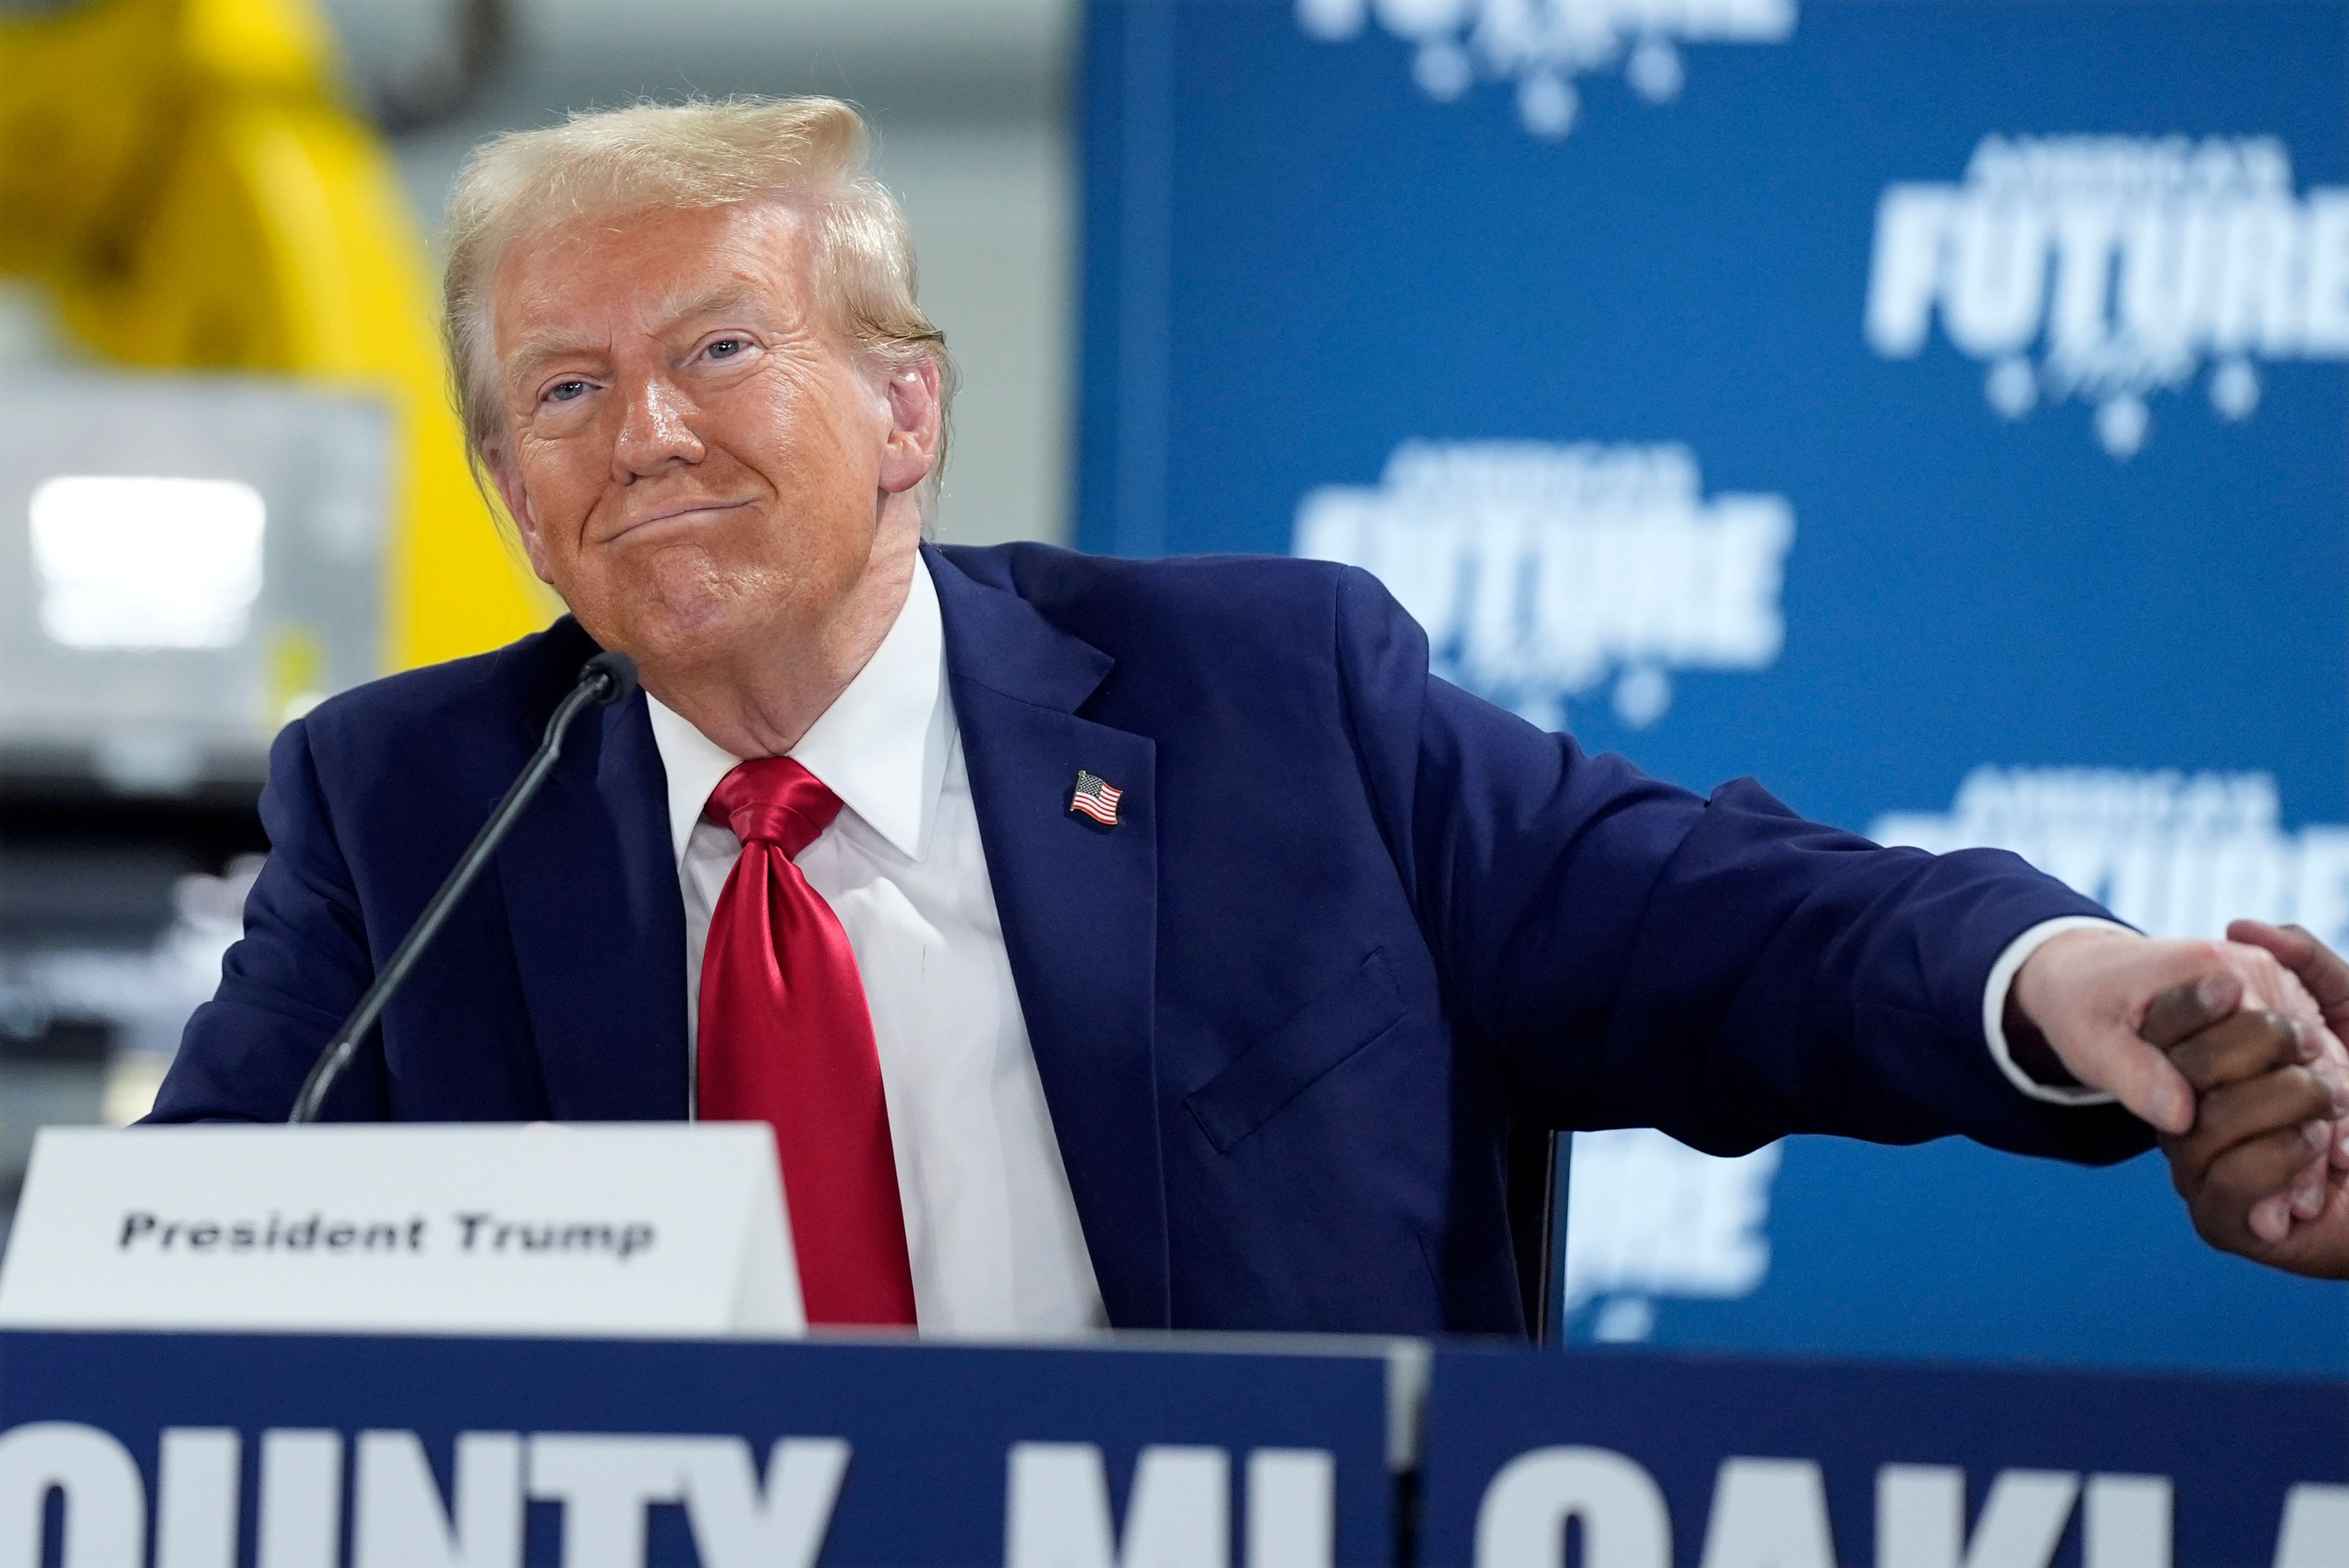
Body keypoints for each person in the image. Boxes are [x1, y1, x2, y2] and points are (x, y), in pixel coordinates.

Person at [149, 97, 2349, 1335]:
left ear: (908, 406)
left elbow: (1729, 921)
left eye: (721, 350)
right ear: (516, 508)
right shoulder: (408, 804)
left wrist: (2063, 980)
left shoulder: (1271, 700)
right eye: (563, 390)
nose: (642, 432)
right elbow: (169, 1295)